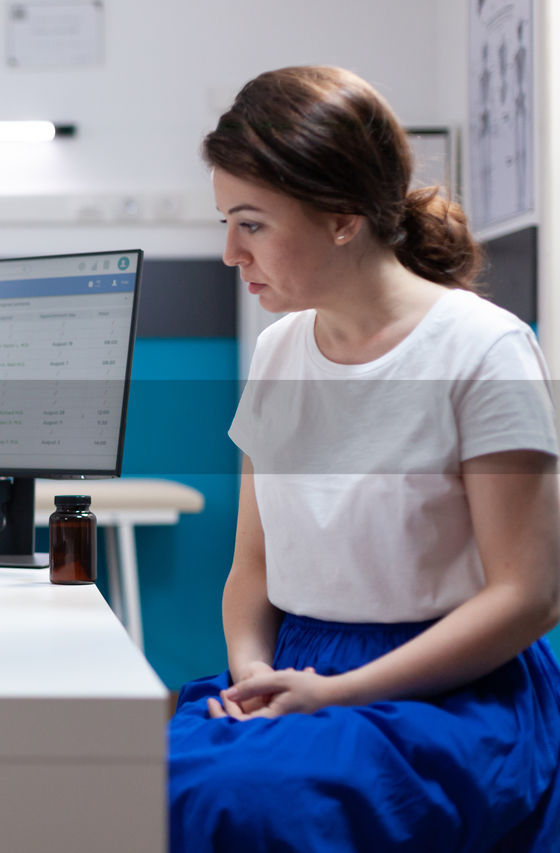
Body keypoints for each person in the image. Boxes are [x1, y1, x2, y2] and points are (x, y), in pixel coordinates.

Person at [169, 66, 560, 851]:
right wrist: (252, 674)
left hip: (449, 685)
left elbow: (530, 594)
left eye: (250, 224)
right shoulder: (279, 351)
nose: (227, 253)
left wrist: (337, 692)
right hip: (296, 669)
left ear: (343, 219)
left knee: (246, 800)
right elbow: (252, 567)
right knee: (115, 775)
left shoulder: (484, 349)